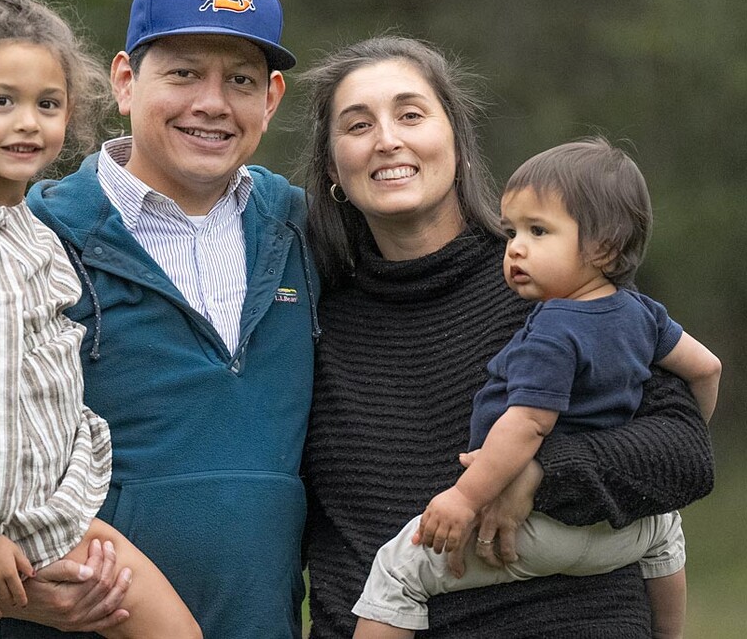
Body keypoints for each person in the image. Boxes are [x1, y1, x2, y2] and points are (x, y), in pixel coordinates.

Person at [0, 0, 316, 638]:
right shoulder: (32, 236)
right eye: (183, 73)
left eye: (240, 80)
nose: (212, 103)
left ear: (271, 98)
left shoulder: (302, 230)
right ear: (126, 81)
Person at [298, 36, 716, 638]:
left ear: (459, 144)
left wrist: (540, 472)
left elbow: (685, 455)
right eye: (358, 125)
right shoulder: (307, 310)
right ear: (332, 169)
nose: (386, 139)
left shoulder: (554, 282)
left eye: (410, 115)